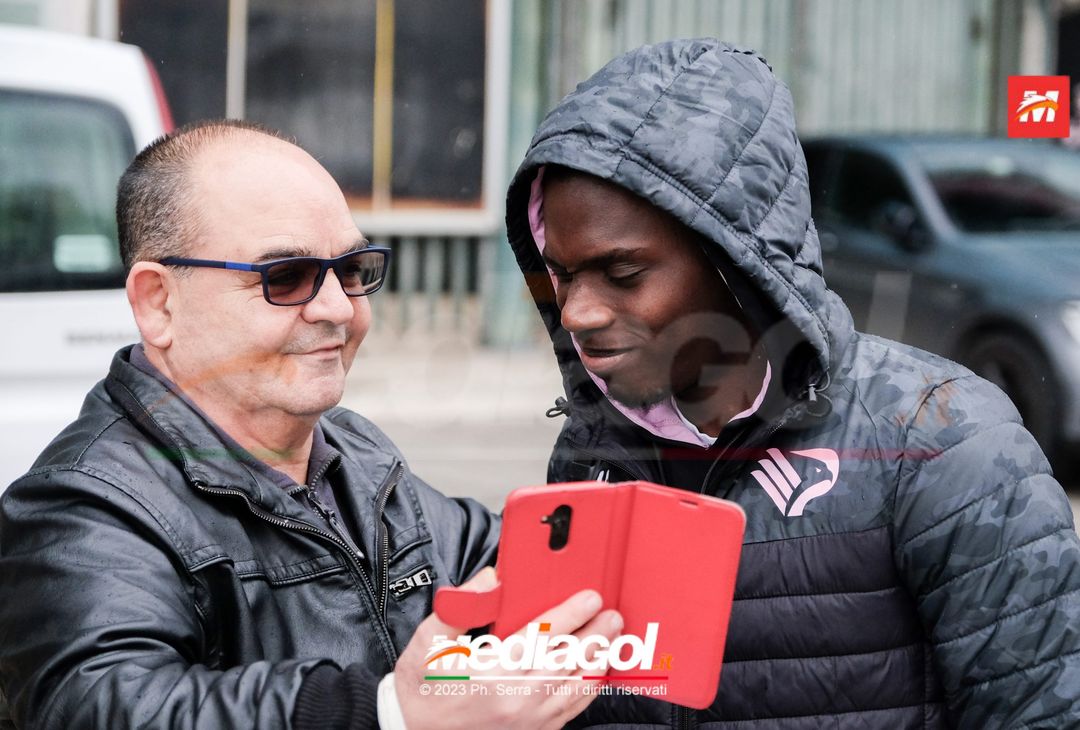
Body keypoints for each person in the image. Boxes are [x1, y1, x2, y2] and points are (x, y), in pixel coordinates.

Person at [505, 39, 1080, 728]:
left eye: (622, 274)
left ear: (738, 264)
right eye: (562, 274)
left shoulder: (947, 446)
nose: (577, 313)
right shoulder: (590, 452)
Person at [0, 120, 623, 729]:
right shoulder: (79, 508)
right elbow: (111, 703)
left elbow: (508, 562)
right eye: (286, 277)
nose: (337, 309)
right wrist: (392, 713)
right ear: (158, 302)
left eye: (351, 270)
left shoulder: (356, 452)